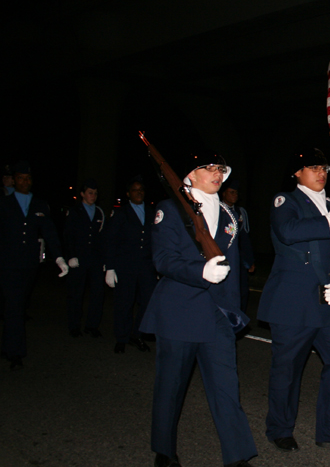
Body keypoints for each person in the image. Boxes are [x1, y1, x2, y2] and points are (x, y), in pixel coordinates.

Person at [139, 151, 257, 467]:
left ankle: (238, 454)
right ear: (190, 175)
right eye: (209, 169)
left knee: (227, 389)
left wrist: (234, 312)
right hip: (179, 310)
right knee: (171, 387)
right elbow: (162, 259)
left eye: (221, 169)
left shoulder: (230, 215)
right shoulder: (172, 210)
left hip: (217, 313)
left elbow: (232, 268)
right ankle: (164, 450)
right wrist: (200, 272)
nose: (218, 174)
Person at [257, 147, 330, 453]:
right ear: (297, 173)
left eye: (325, 168)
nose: (322, 173)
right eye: (314, 168)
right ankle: (280, 428)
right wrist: (329, 220)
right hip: (294, 303)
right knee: (287, 370)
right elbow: (288, 232)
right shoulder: (285, 202)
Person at [0, 160, 69, 369]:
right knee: (14, 306)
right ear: (14, 180)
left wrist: (59, 257)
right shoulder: (4, 203)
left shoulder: (39, 205)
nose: (24, 181)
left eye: (28, 178)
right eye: (20, 178)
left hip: (29, 265)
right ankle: (15, 353)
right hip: (8, 264)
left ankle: (8, 345)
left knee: (17, 305)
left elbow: (49, 232)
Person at [104, 177, 157, 353]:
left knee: (148, 301)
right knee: (124, 302)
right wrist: (110, 267)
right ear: (128, 194)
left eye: (141, 189)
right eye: (135, 190)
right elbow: (111, 240)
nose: (139, 192)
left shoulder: (152, 213)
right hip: (125, 265)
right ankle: (122, 337)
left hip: (146, 266)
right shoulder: (121, 213)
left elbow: (156, 240)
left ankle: (137, 334)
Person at [63, 178, 106, 338]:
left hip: (95, 259)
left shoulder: (100, 212)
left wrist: (104, 261)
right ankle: (74, 326)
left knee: (97, 293)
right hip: (79, 259)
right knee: (76, 293)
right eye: (90, 193)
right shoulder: (74, 211)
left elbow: (103, 238)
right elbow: (68, 235)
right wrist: (71, 256)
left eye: (95, 193)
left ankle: (92, 325)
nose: (93, 196)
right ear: (82, 194)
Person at [220, 179, 255, 313]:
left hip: (238, 257)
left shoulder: (240, 212)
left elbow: (244, 238)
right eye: (231, 192)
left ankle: (239, 318)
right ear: (224, 193)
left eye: (236, 193)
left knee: (242, 290)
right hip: (222, 255)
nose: (235, 195)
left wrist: (250, 260)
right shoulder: (217, 209)